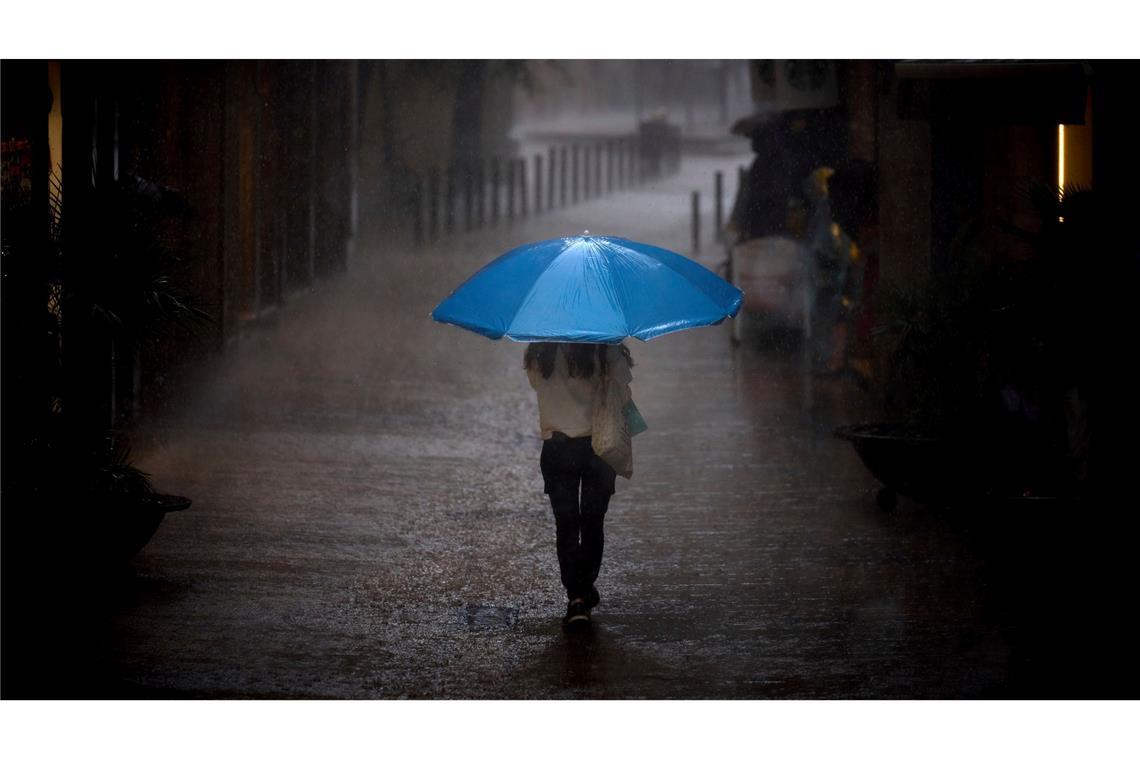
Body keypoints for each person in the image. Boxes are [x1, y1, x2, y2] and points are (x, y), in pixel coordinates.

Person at [524, 341, 634, 628]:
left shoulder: (540, 352)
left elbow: (538, 385)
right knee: (592, 522)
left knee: (567, 525)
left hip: (558, 450)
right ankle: (583, 589)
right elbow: (621, 392)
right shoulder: (604, 349)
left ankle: (577, 596)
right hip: (599, 448)